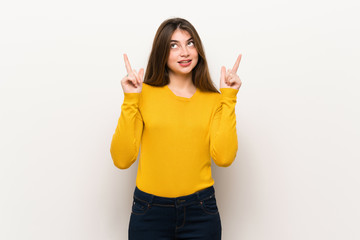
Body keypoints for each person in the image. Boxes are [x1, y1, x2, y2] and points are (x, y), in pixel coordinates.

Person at [110, 17, 242, 240]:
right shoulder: (143, 95)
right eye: (174, 45)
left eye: (190, 43)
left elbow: (224, 158)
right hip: (149, 211)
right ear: (162, 51)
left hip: (201, 212)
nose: (185, 52)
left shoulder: (214, 100)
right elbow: (122, 159)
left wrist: (228, 98)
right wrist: (130, 100)